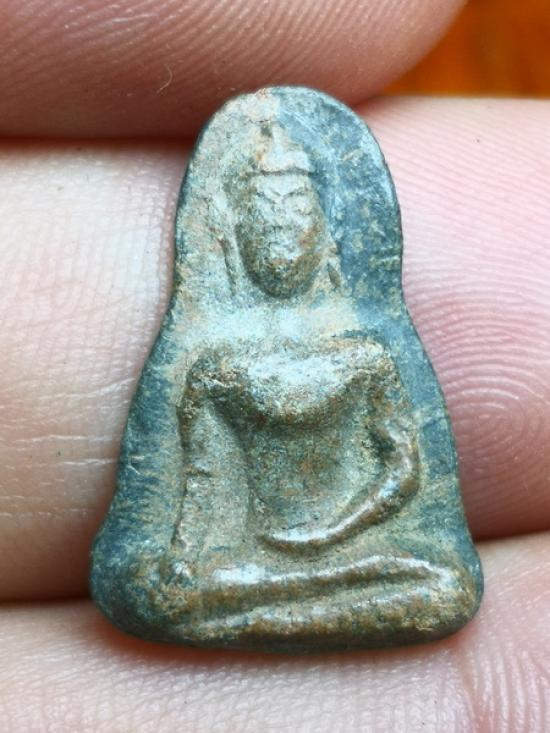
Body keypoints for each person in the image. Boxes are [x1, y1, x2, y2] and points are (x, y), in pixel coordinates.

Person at [0, 0, 548, 729]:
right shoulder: (209, 365)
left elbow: (404, 472)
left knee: (443, 588)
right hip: (241, 568)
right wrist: (182, 559)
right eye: (265, 214)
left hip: (355, 556)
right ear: (232, 233)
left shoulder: (370, 351)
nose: (282, 230)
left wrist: (337, 531)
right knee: (150, 593)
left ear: (328, 227)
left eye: (296, 211)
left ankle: (286, 596)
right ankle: (269, 600)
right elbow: (197, 492)